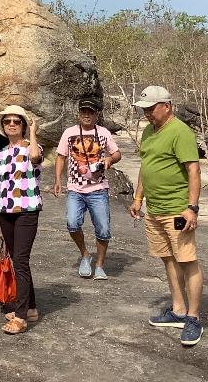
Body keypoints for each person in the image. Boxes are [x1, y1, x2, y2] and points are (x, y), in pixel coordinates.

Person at [127, 85, 205, 347]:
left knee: (187, 260)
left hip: (177, 209)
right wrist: (138, 198)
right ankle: (178, 310)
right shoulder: (149, 131)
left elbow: (193, 171)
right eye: (144, 110)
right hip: (155, 210)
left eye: (150, 109)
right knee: (168, 260)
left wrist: (191, 207)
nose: (146, 114)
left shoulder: (180, 131)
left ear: (167, 106)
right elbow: (145, 167)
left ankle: (193, 317)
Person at [53, 99, 122, 280]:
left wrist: (109, 160)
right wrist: (58, 180)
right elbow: (61, 157)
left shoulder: (104, 132)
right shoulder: (69, 133)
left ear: (96, 115)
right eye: (83, 111)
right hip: (75, 189)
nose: (86, 114)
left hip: (98, 188)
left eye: (90, 112)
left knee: (103, 229)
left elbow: (117, 153)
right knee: (72, 223)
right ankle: (85, 254)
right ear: (78, 113)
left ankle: (99, 264)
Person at [0, 105, 44, 335]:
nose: (11, 124)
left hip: (26, 210)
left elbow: (35, 157)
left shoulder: (31, 148)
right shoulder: (1, 154)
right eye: (7, 121)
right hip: (5, 211)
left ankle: (21, 316)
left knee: (21, 260)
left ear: (23, 125)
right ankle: (30, 307)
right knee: (16, 260)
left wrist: (32, 133)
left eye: (16, 121)